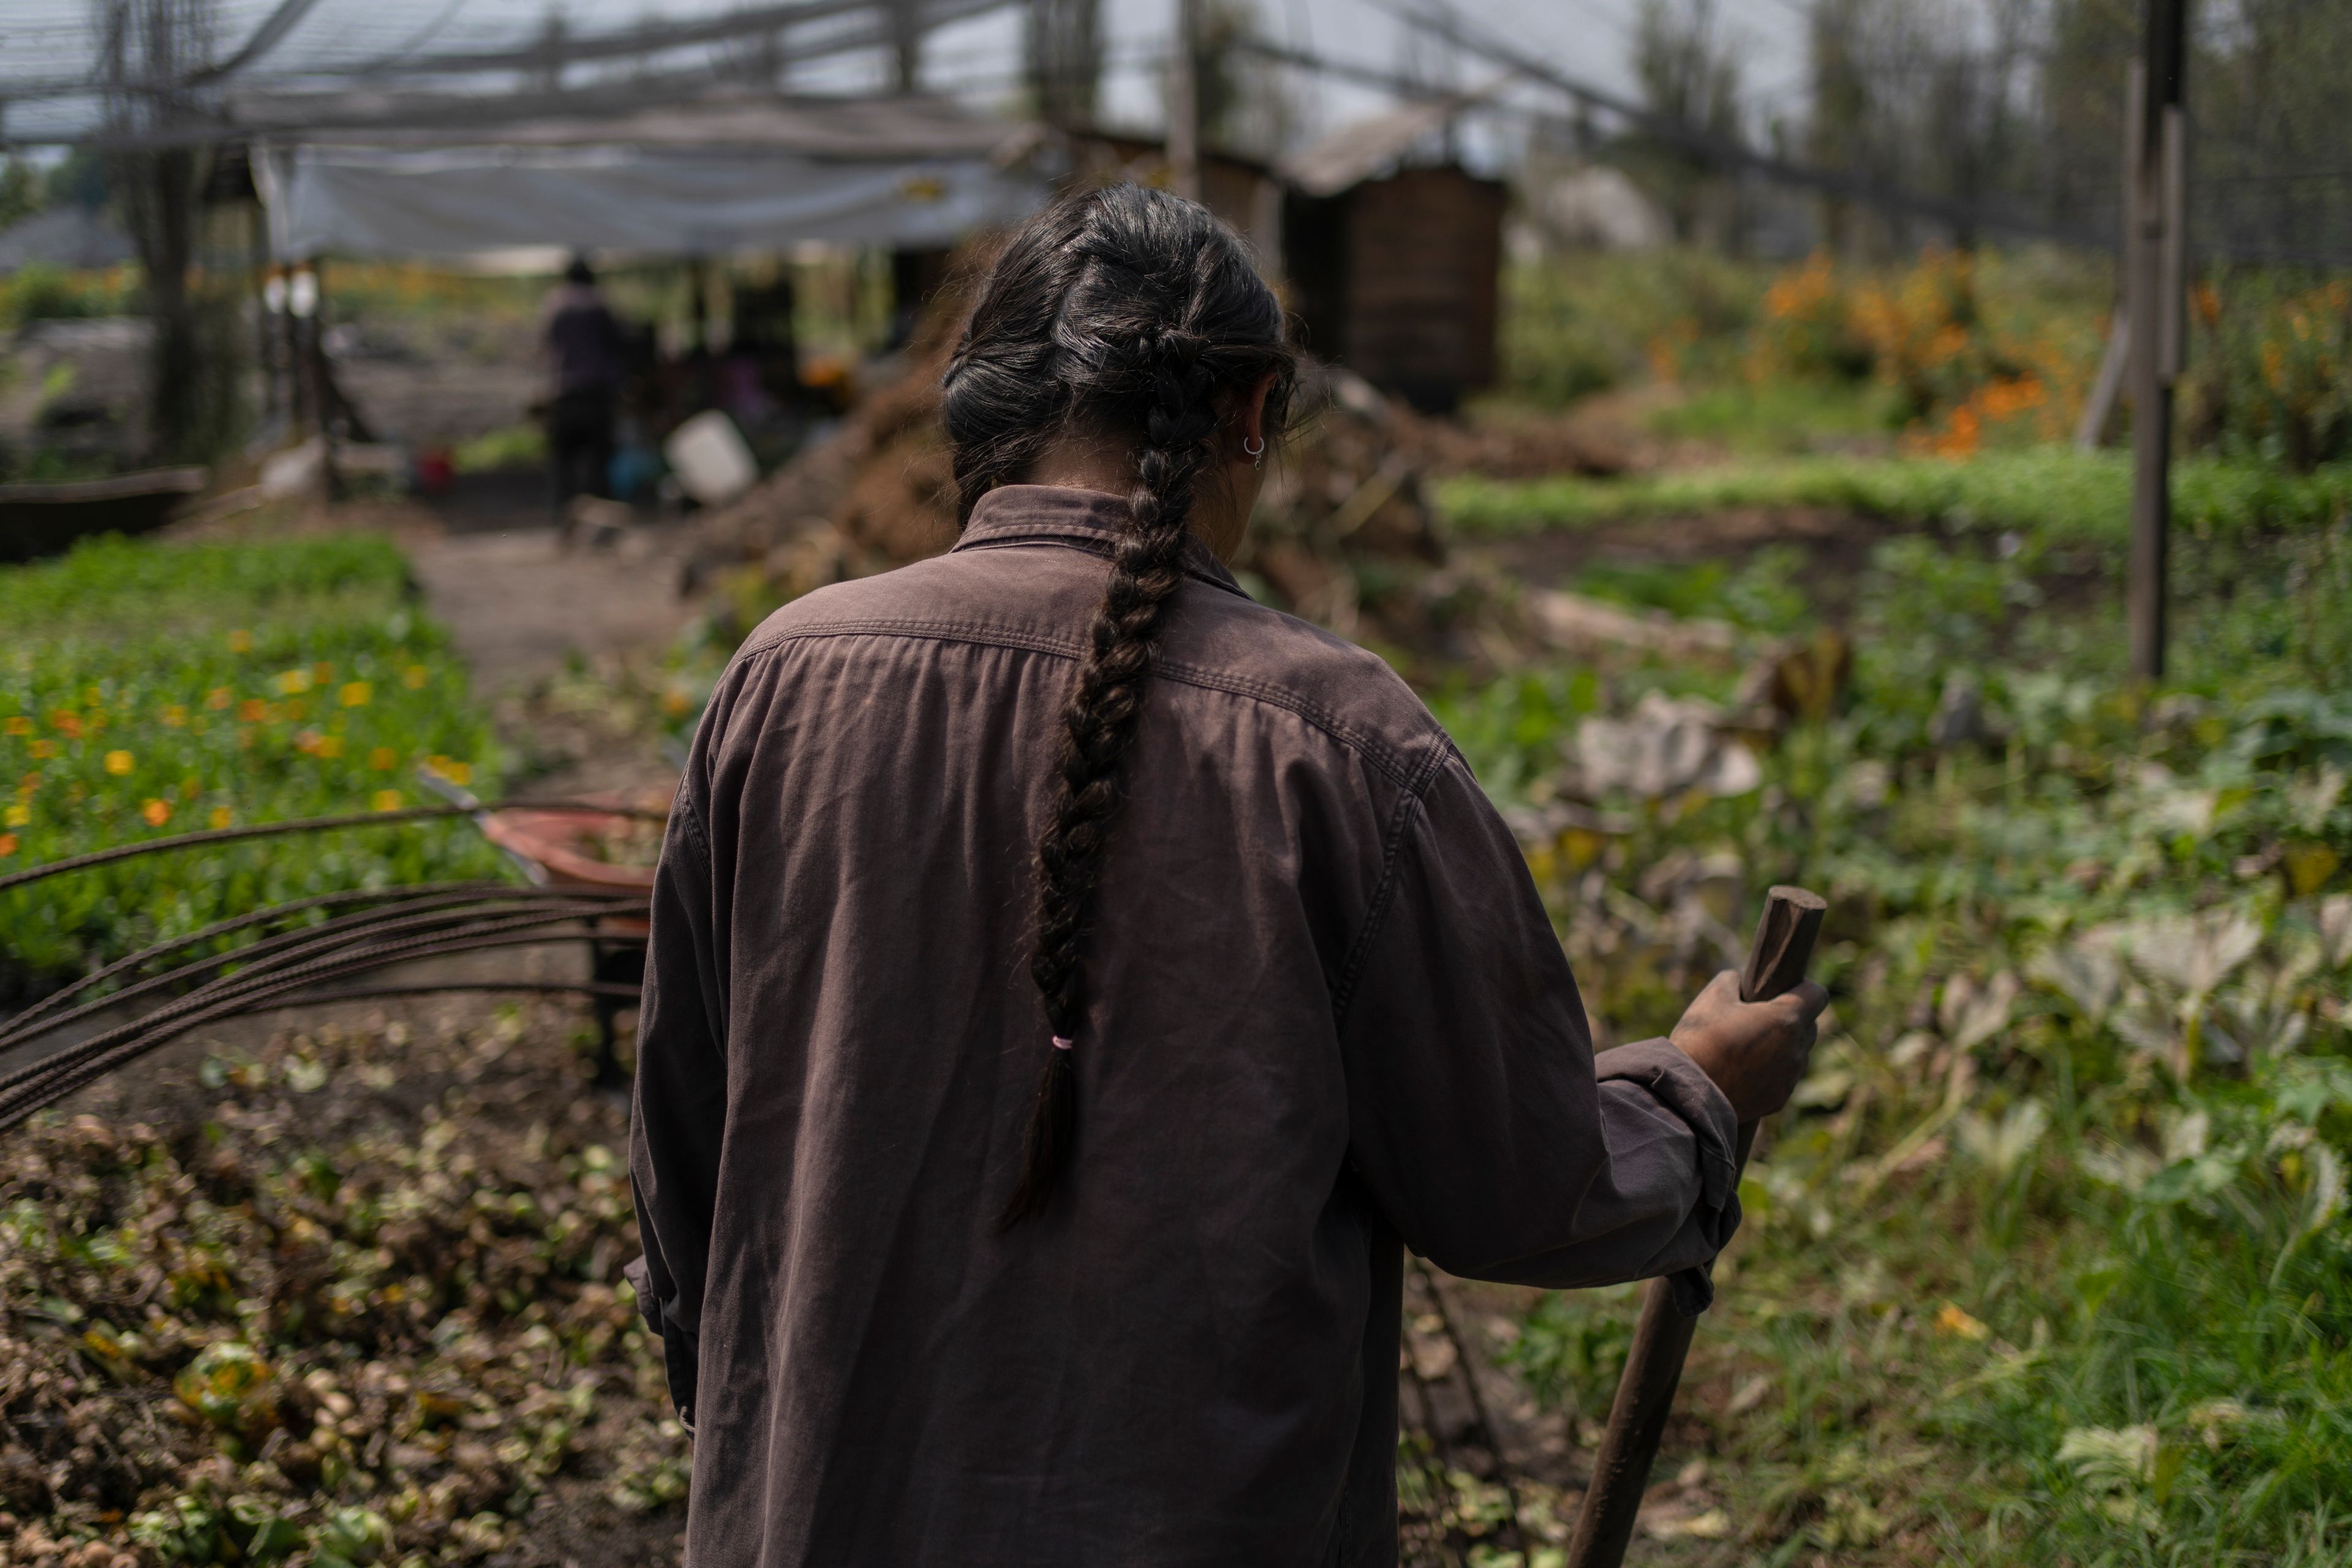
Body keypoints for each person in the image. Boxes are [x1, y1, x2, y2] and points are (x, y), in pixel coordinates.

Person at [627, 184, 1825, 1567]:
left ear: (979, 417)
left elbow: (686, 1155)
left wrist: (743, 1408)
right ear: (1251, 410)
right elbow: (1518, 1185)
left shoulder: (782, 680)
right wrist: (1694, 1097)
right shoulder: (1345, 742)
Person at [541, 254, 627, 521]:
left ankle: (565, 512)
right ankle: (599, 512)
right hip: (597, 393)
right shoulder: (601, 307)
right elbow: (618, 346)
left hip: (566, 391)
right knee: (599, 456)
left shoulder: (557, 307)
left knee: (564, 458)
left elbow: (549, 347)